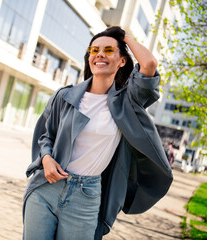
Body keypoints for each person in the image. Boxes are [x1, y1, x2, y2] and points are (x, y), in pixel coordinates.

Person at [23, 26, 173, 240]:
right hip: (45, 188)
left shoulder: (127, 103)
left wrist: (124, 37)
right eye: (94, 50)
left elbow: (149, 64)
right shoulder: (64, 96)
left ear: (122, 61)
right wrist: (46, 158)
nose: (100, 54)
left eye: (109, 50)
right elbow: (46, 135)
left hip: (86, 195)